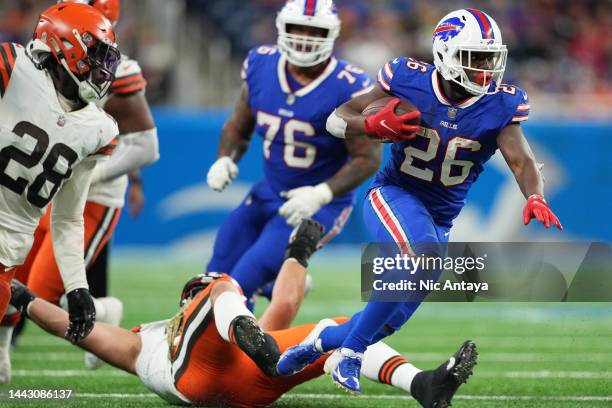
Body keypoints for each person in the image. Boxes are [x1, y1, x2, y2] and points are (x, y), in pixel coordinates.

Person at [277, 8, 563, 394]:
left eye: (489, 58)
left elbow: (521, 159)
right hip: (394, 193)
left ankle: (316, 343)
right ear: (446, 54)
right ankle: (350, 354)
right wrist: (370, 124)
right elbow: (337, 119)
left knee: (390, 317)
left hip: (439, 218)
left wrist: (535, 196)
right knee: (419, 257)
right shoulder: (408, 79)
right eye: (474, 57)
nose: (485, 68)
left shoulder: (501, 103)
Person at [9, 219, 477, 408]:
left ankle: (424, 385)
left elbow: (75, 331)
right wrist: (300, 252)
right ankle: (243, 324)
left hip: (228, 377)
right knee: (224, 285)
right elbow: (76, 329)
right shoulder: (144, 340)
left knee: (336, 332)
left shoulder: (136, 345)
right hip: (212, 373)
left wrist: (22, 298)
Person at [0, 0, 160, 374]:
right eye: (96, 56)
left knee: (40, 294)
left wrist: (78, 286)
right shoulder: (12, 68)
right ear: (63, 46)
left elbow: (69, 218)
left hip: (8, 249)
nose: (104, 69)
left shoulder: (98, 128)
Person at [205, 0, 381, 320]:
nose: (304, 38)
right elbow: (238, 126)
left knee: (240, 285)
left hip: (320, 206)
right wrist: (225, 159)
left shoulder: (349, 86)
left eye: (314, 31)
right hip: (268, 192)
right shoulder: (260, 65)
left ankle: (240, 360)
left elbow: (367, 158)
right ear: (281, 29)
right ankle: (279, 282)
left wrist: (321, 193)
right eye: (297, 28)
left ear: (332, 34)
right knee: (212, 280)